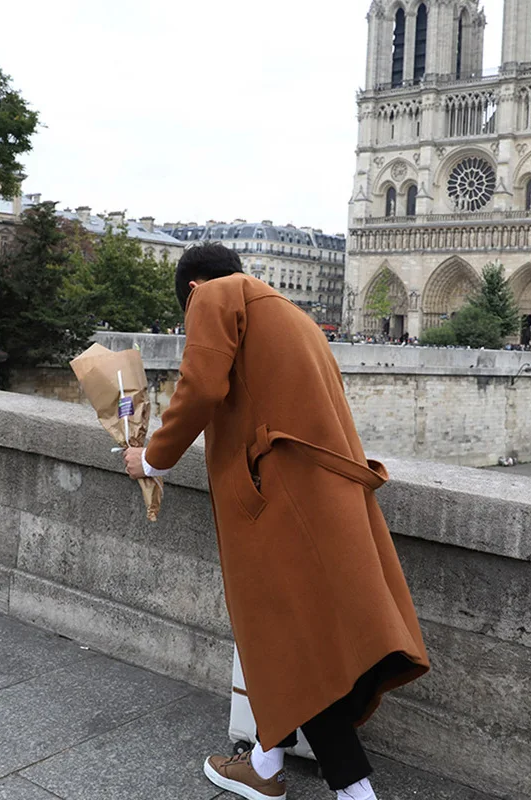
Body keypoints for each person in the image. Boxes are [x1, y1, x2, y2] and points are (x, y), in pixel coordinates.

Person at [123, 242, 429, 800]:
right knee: (297, 640)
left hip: (278, 501)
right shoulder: (292, 314)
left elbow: (200, 389)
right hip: (325, 496)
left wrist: (150, 457)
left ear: (192, 289)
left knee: (296, 647)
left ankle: (356, 793)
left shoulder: (213, 294)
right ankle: (264, 765)